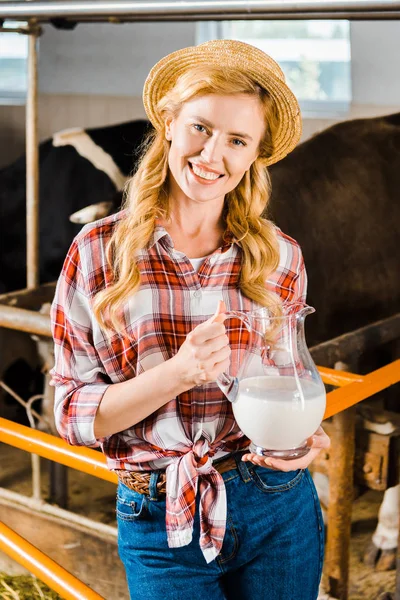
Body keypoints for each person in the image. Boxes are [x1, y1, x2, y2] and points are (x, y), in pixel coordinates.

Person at [50, 39, 330, 600]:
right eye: (200, 127)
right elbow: (70, 413)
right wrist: (176, 374)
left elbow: (285, 381)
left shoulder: (279, 256)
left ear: (255, 155)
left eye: (237, 140)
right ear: (170, 123)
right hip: (159, 513)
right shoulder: (98, 252)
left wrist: (301, 437)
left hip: (277, 502)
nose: (212, 154)